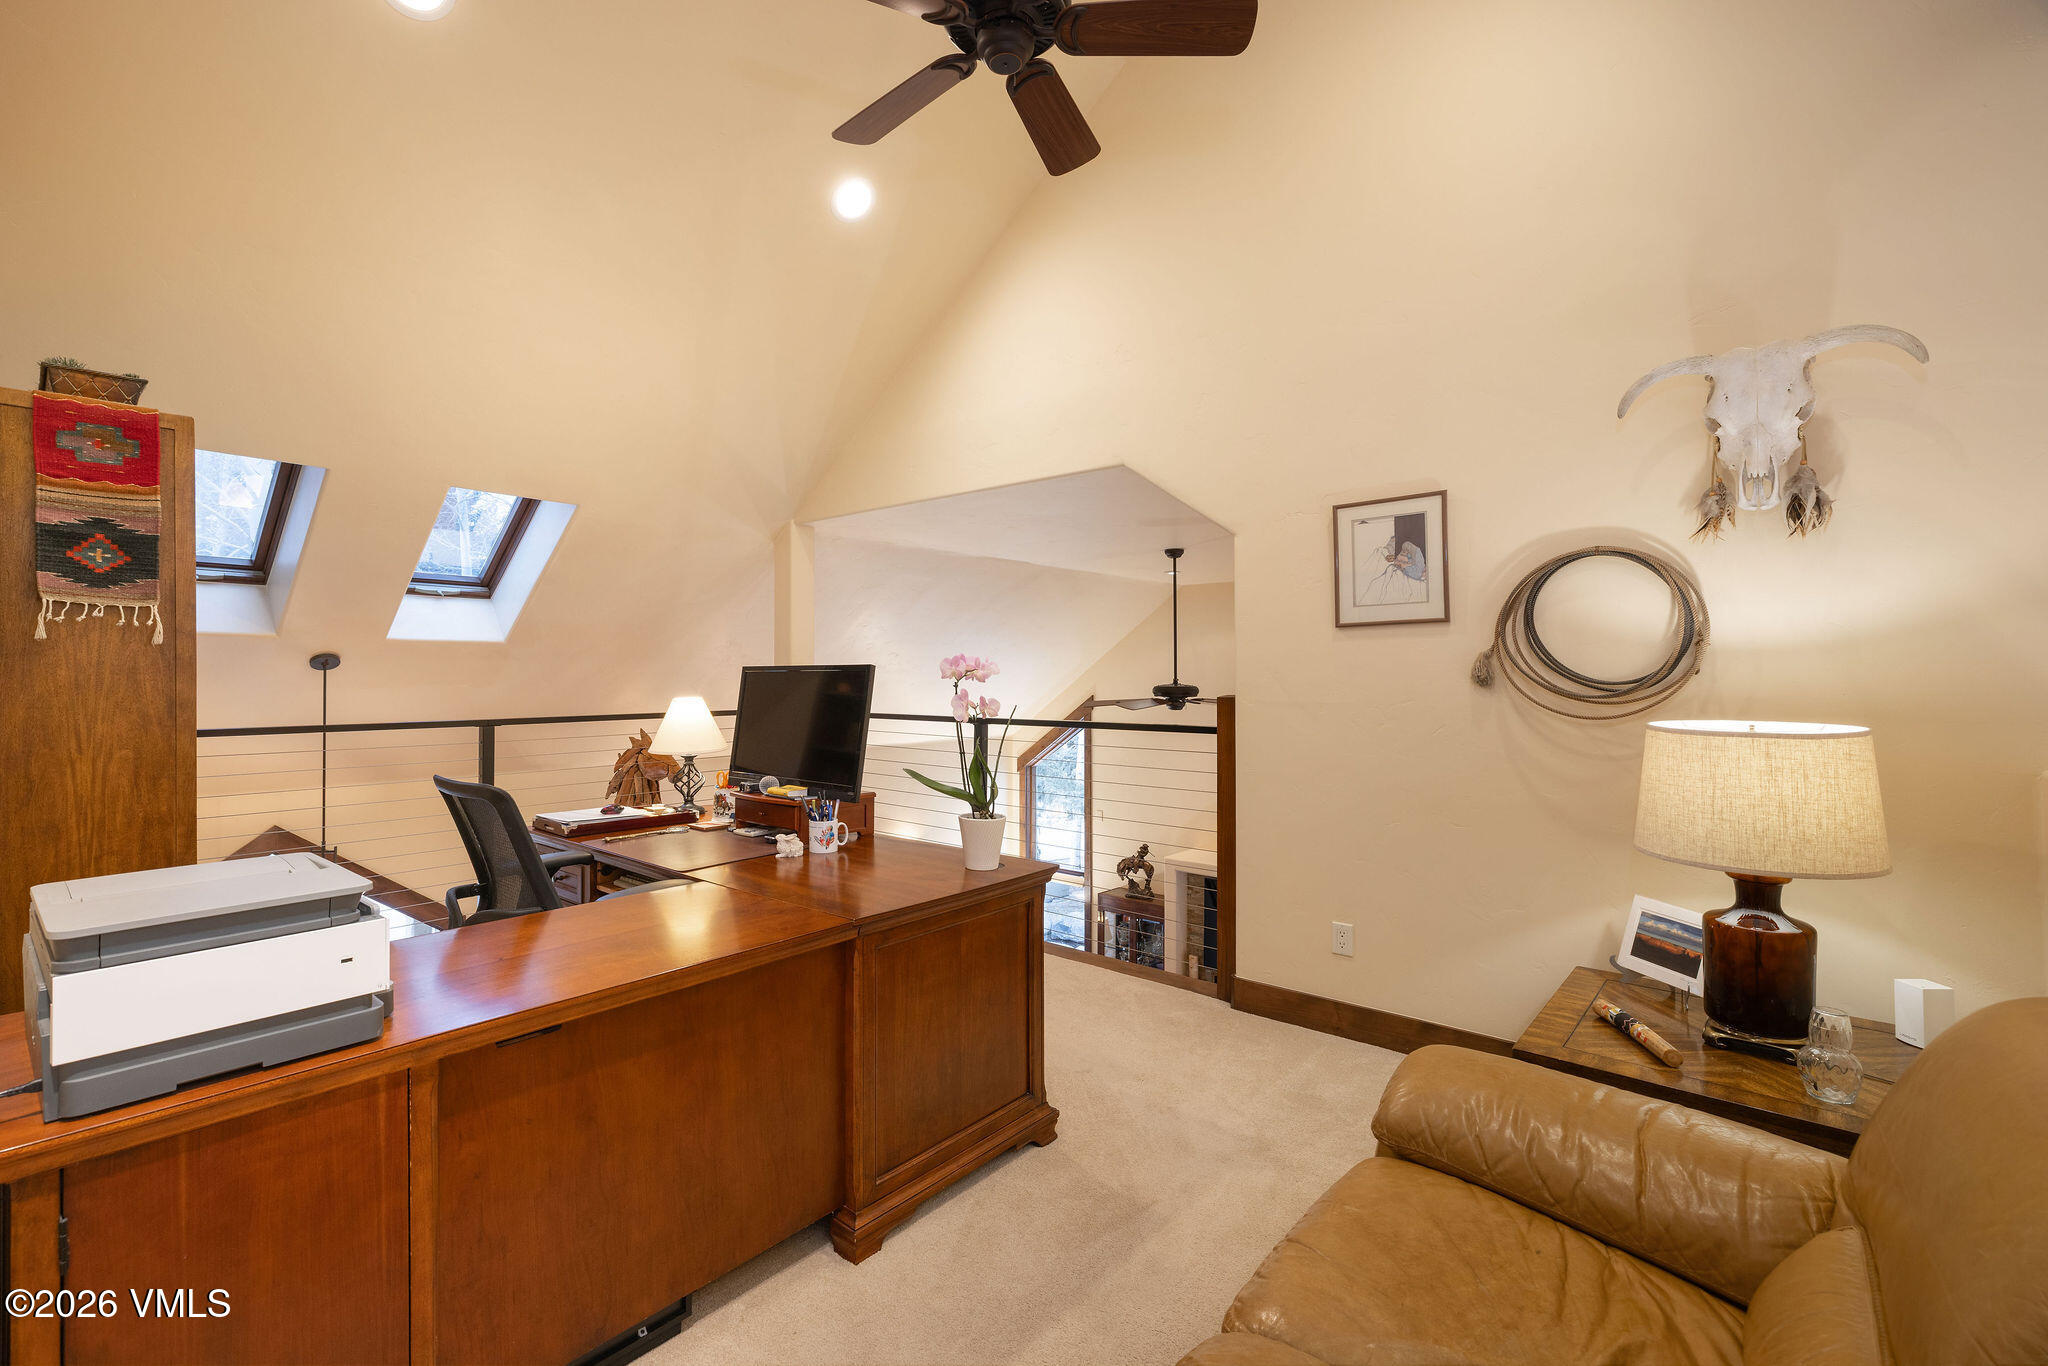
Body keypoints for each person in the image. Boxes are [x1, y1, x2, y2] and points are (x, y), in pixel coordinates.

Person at [1358, 530, 1428, 605]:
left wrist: (1402, 565)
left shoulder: (1415, 551)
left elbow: (1417, 572)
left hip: (1403, 573)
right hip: (1395, 569)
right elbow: (1395, 555)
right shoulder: (1403, 546)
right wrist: (1396, 559)